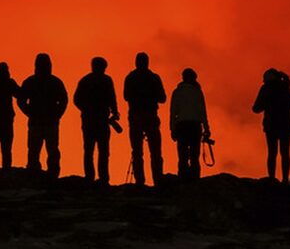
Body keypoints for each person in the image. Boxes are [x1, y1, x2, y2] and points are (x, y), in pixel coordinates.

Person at [17, 52, 68, 177]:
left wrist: (57, 114)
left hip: (45, 121)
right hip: (40, 121)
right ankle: (40, 173)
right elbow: (21, 100)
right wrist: (30, 113)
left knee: (48, 150)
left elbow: (64, 100)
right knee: (38, 149)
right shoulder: (51, 81)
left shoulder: (34, 81)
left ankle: (48, 173)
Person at [73, 56, 120, 184]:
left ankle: (91, 178)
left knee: (90, 150)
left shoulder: (86, 80)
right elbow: (112, 98)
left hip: (91, 120)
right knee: (101, 150)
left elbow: (76, 100)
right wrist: (114, 112)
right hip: (100, 120)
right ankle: (102, 178)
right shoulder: (106, 80)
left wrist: (86, 110)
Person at [123, 51, 166, 185]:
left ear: (136, 62)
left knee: (137, 151)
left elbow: (126, 96)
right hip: (151, 116)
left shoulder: (130, 77)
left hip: (135, 116)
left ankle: (139, 181)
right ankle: (158, 180)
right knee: (155, 151)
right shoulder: (154, 78)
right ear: (147, 62)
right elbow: (162, 98)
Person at [252, 68, 290, 182]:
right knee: (285, 152)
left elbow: (256, 108)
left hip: (271, 125)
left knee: (272, 153)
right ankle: (285, 179)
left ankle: (271, 178)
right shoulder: (284, 87)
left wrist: (267, 105)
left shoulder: (266, 89)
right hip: (286, 124)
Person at [170, 68, 210, 180]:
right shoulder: (197, 92)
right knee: (194, 156)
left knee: (182, 156)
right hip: (195, 127)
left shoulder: (177, 92)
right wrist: (206, 128)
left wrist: (172, 129)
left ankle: (183, 179)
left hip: (181, 127)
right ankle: (195, 180)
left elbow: (173, 112)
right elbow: (203, 112)